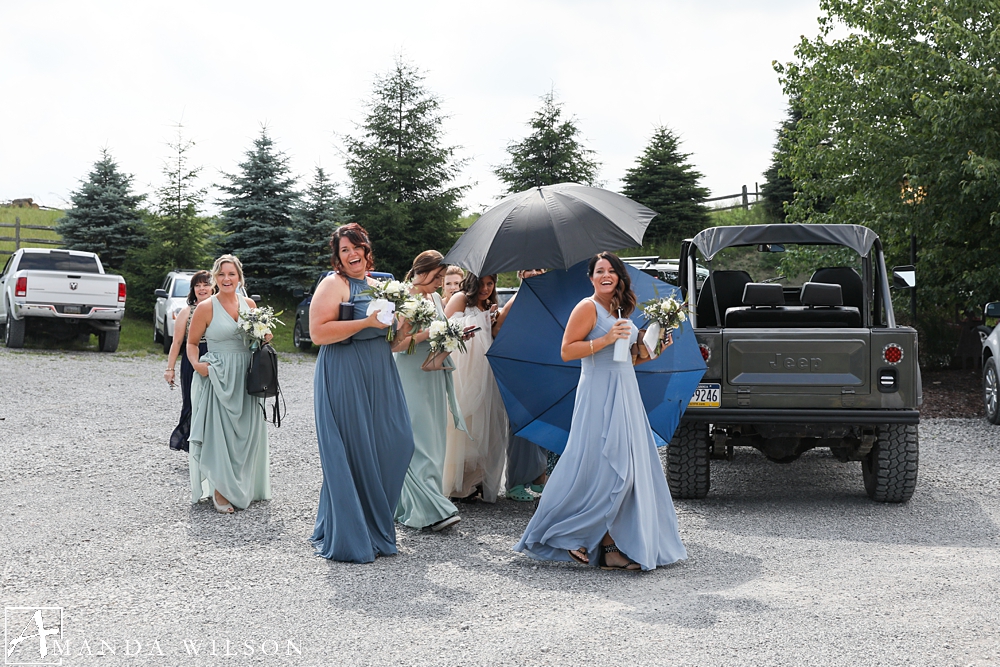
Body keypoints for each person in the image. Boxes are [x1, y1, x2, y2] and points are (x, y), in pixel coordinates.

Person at [514, 252, 686, 571]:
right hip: (597, 391)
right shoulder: (587, 307)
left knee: (628, 469)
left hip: (625, 391)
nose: (605, 275)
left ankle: (612, 546)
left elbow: (630, 358)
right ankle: (573, 536)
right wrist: (607, 338)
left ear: (620, 277)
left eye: (611, 271)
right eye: (599, 271)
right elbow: (567, 350)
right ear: (591, 278)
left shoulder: (621, 309)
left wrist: (659, 346)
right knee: (602, 467)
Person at [309, 223, 416, 563]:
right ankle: (355, 533)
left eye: (357, 247)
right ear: (338, 257)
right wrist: (365, 324)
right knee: (354, 450)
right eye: (345, 249)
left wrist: (412, 324)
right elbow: (318, 333)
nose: (352, 253)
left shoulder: (380, 285)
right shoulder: (333, 283)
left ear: (367, 250)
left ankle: (373, 523)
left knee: (398, 442)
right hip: (344, 371)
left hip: (380, 372)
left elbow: (396, 342)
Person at [187, 256, 271, 514]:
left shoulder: (249, 304)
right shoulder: (206, 307)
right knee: (220, 433)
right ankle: (220, 490)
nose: (226, 279)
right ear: (215, 277)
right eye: (221, 274)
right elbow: (191, 344)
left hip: (246, 376)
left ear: (239, 277)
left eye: (231, 274)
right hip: (219, 376)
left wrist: (266, 336)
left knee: (246, 433)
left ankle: (243, 486)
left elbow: (259, 340)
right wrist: (198, 366)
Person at [391, 250, 467, 531]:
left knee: (435, 439)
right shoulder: (404, 300)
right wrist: (429, 334)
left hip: (433, 374)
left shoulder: (435, 299)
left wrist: (454, 334)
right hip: (410, 372)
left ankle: (416, 502)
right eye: (437, 277)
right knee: (419, 439)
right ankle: (430, 509)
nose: (440, 283)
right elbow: (396, 345)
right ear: (421, 272)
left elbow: (439, 331)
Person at [443, 272, 509, 502]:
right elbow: (445, 327)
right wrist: (481, 322)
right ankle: (456, 483)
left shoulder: (490, 305)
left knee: (486, 421)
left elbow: (492, 335)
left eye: (490, 284)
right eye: (481, 284)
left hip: (485, 368)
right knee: (464, 422)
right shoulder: (460, 298)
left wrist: (491, 321)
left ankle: (476, 478)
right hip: (465, 371)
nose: (486, 289)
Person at [495, 269, 549, 502]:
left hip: (544, 367)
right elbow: (497, 330)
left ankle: (538, 475)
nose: (535, 272)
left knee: (541, 422)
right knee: (521, 425)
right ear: (520, 273)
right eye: (530, 268)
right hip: (523, 368)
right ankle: (516, 481)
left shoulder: (547, 295)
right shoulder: (518, 299)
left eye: (539, 268)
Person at [164, 271, 212, 452]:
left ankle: (213, 446)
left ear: (213, 287)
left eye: (205, 284)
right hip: (193, 359)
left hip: (217, 359)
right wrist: (170, 368)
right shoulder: (187, 311)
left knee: (215, 404)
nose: (201, 289)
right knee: (193, 403)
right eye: (197, 285)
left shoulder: (220, 308)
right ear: (193, 289)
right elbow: (176, 342)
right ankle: (192, 444)